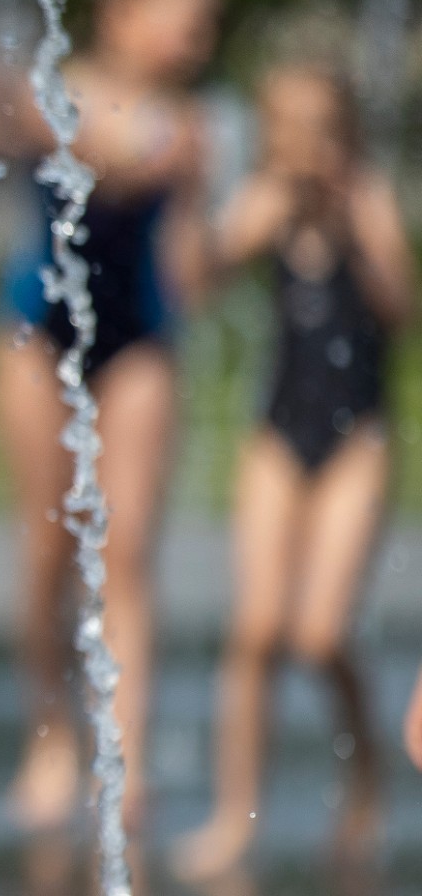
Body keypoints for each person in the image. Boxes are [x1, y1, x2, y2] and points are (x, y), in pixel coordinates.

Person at [0, 0, 224, 836]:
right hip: (33, 335)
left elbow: (193, 269)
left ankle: (122, 755)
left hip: (141, 342)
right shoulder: (52, 87)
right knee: (49, 548)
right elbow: (12, 114)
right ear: (120, 10)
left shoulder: (192, 126)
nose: (198, 42)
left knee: (126, 552)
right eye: (185, 20)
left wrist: (199, 204)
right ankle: (51, 735)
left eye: (207, 28)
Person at [170, 60, 411, 880]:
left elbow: (398, 310)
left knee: (317, 632)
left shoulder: (368, 199)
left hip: (357, 441)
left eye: (318, 127)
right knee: (255, 631)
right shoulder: (267, 201)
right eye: (287, 128)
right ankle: (235, 819)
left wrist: (353, 221)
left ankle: (366, 779)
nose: (303, 144)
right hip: (277, 433)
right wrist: (195, 198)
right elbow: (198, 282)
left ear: (343, 134)